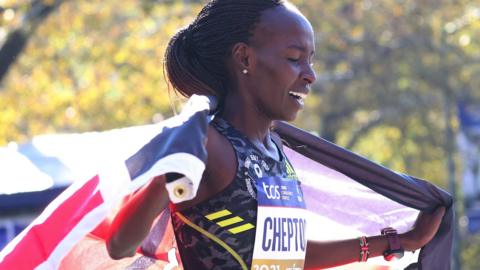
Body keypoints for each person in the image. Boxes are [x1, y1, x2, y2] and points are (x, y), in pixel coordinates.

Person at [106, 0, 446, 269]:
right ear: (245, 58)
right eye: (294, 58)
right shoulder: (206, 144)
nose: (310, 75)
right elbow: (119, 245)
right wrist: (167, 175)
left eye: (311, 60)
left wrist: (398, 242)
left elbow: (283, 258)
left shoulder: (275, 149)